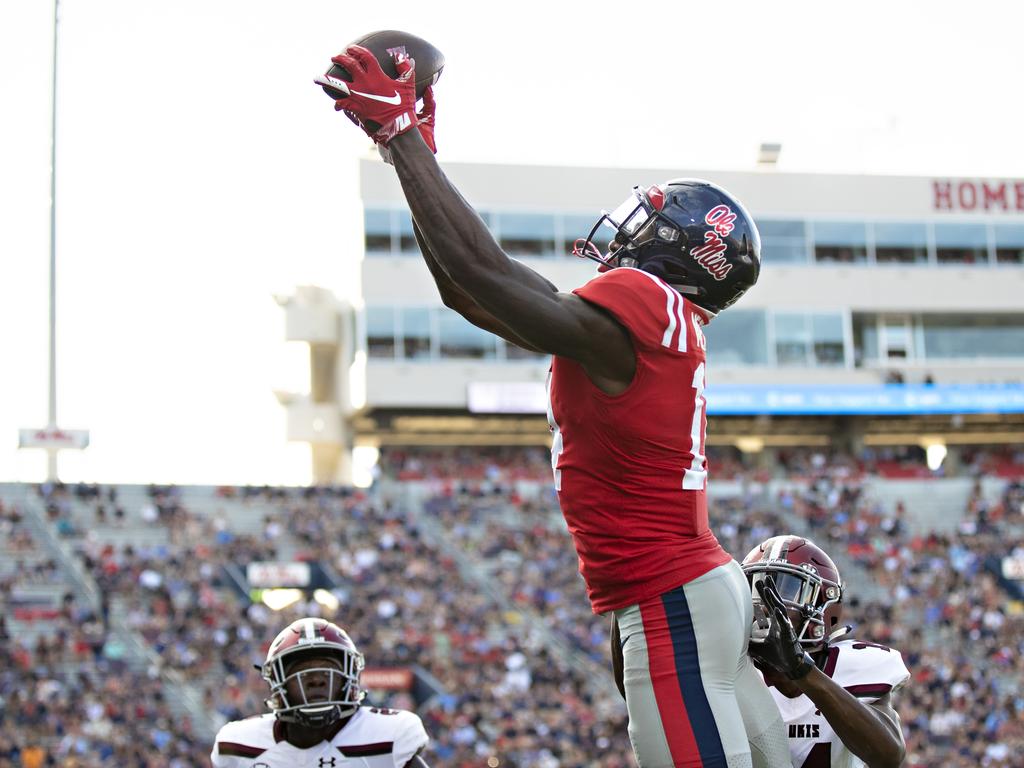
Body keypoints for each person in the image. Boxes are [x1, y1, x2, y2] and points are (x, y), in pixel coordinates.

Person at [319, 46, 789, 767]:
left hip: (672, 600)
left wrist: (402, 137)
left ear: (683, 250)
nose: (628, 227)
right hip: (692, 588)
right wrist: (406, 159)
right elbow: (470, 293)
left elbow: (483, 273)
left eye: (649, 218)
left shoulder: (644, 303)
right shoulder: (665, 323)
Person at [741, 535, 909, 768]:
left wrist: (803, 671)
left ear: (824, 605)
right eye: (755, 588)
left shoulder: (853, 666)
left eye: (787, 590)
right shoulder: (734, 670)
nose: (764, 604)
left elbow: (889, 756)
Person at [211, 617, 430, 767]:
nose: (316, 680)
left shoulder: (388, 735)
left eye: (328, 672)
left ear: (348, 678)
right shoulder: (239, 745)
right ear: (278, 683)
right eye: (303, 672)